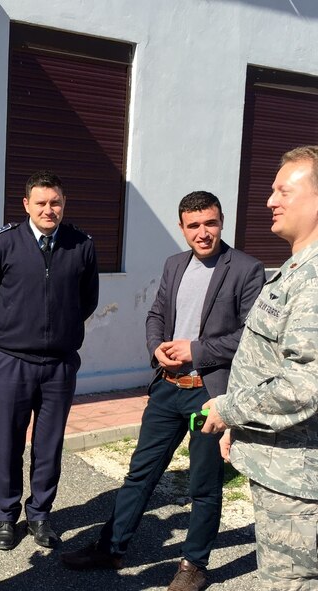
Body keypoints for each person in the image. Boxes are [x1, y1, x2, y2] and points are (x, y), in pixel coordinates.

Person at [61, 191, 265, 591]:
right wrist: (156, 346)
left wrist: (197, 349)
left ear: (222, 222)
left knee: (203, 484)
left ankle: (194, 565)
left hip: (208, 393)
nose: (203, 233)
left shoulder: (245, 268)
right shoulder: (175, 264)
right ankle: (112, 547)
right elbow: (157, 314)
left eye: (210, 223)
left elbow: (253, 335)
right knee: (140, 473)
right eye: (194, 225)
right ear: (182, 228)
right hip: (167, 389)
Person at [202, 146, 318, 590]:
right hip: (286, 471)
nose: (270, 200)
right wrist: (246, 426)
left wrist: (230, 409)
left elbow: (307, 384)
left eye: (283, 190)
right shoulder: (301, 269)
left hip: (302, 483)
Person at [0, 170, 99, 550]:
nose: (49, 209)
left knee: (49, 443)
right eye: (40, 202)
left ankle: (41, 514)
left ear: (64, 204)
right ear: (26, 204)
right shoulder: (3, 243)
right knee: (8, 440)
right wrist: (9, 330)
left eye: (55, 202)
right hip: (13, 363)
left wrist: (61, 329)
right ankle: (6, 516)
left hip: (59, 365)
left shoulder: (82, 245)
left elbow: (86, 300)